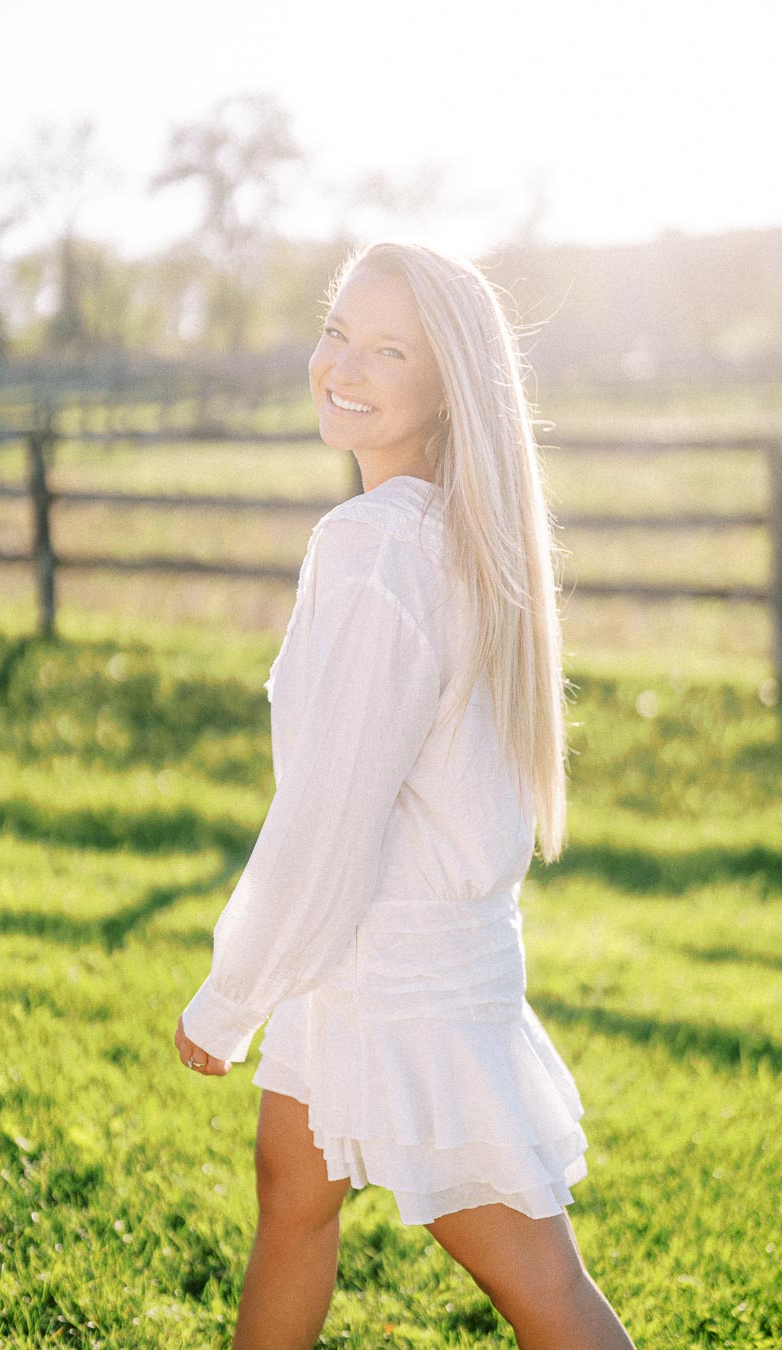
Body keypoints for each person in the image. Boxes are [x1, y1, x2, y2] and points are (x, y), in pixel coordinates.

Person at [174, 238, 637, 1350]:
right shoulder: (448, 534)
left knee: (541, 1286)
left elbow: (329, 820)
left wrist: (230, 996)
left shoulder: (377, 547)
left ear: (446, 389)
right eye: (338, 330)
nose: (344, 364)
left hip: (401, 979)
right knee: (293, 1193)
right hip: (391, 962)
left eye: (389, 348)